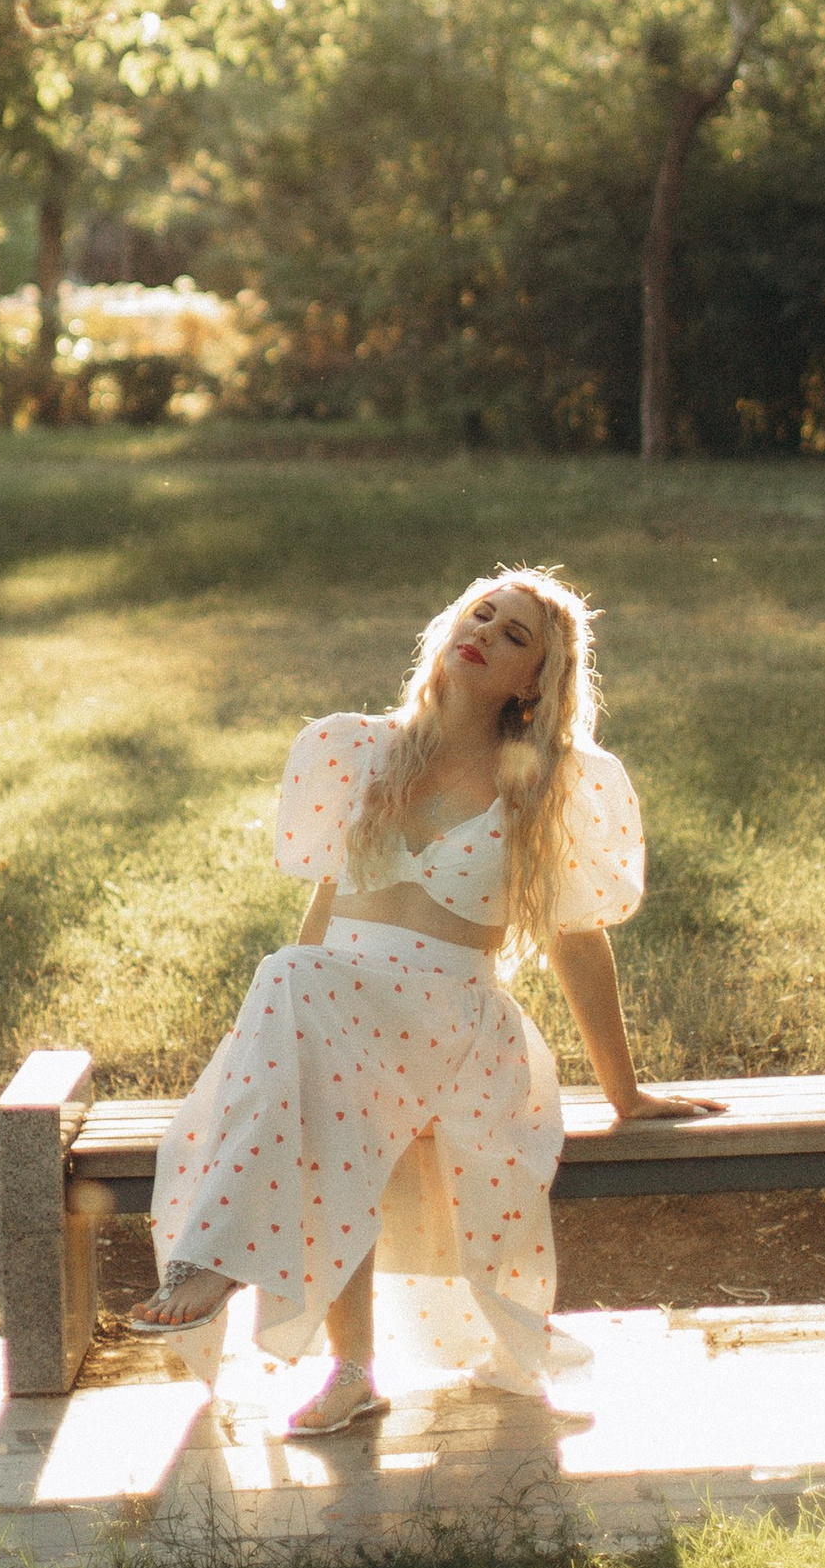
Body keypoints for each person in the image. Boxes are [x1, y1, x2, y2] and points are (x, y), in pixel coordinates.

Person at [130, 566, 719, 1434]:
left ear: (535, 682)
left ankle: (217, 1258)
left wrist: (626, 1092)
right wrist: (274, 1036)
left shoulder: (544, 782)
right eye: (481, 613)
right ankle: (353, 1373)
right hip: (342, 1016)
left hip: (456, 1029)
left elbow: (575, 939)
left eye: (516, 635)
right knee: (306, 1024)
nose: (486, 631)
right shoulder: (359, 750)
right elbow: (321, 919)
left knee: (293, 986)